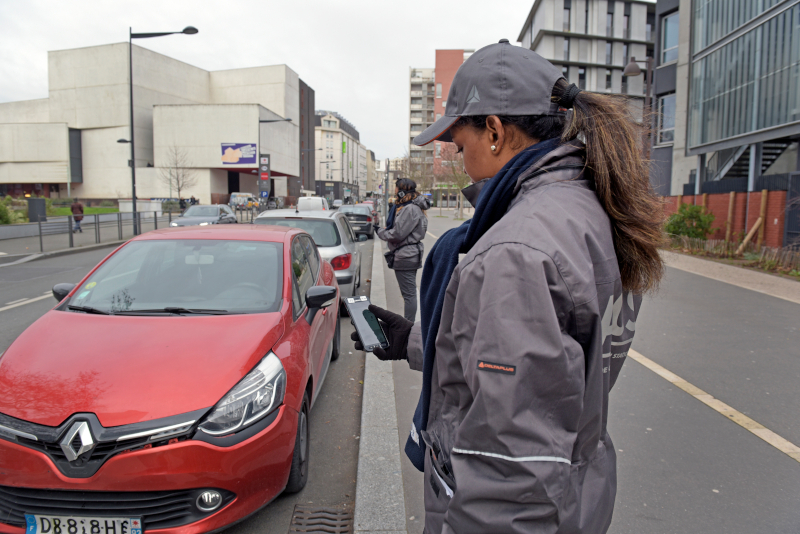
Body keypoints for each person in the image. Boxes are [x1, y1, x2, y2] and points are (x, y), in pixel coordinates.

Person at [352, 41, 664, 533]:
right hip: (576, 492)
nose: (462, 161)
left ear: (495, 131)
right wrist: (416, 340)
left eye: (460, 145)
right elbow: (548, 368)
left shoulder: (516, 251)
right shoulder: (591, 212)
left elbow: (508, 465)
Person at [376, 178, 430, 321]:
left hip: (406, 255)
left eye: (396, 189)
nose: (394, 192)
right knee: (410, 293)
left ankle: (408, 327)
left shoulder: (410, 209)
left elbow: (397, 234)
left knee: (409, 295)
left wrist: (380, 232)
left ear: (401, 191)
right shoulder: (412, 207)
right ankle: (409, 324)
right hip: (409, 254)